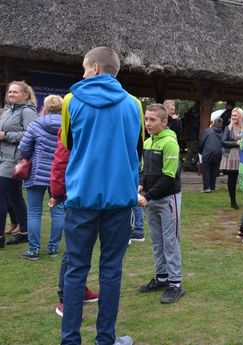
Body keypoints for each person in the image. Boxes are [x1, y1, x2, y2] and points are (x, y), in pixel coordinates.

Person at [58, 46, 143, 345]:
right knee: (111, 270)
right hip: (119, 200)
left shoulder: (70, 101)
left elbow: (69, 145)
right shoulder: (134, 105)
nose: (82, 73)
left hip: (82, 198)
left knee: (75, 270)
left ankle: (70, 340)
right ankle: (105, 339)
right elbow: (137, 150)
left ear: (94, 68)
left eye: (84, 67)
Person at [49, 128, 100, 318]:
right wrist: (57, 191)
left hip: (95, 191)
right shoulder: (70, 123)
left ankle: (80, 289)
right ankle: (66, 298)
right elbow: (61, 159)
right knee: (74, 249)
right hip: (78, 192)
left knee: (82, 247)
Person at [137, 103, 184, 304]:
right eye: (146, 119)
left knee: (170, 241)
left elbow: (168, 176)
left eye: (152, 119)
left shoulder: (170, 143)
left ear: (164, 122)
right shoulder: (148, 143)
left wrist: (147, 196)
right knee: (157, 241)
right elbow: (144, 171)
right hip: (151, 200)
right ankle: (162, 278)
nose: (147, 123)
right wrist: (140, 185)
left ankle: (176, 284)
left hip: (167, 199)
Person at [17, 94, 64, 260]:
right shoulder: (68, 126)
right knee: (58, 212)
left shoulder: (35, 124)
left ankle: (33, 250)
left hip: (36, 173)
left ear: (44, 107)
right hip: (59, 175)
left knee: (34, 212)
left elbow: (23, 148)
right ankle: (53, 248)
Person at [0, 80, 37, 248]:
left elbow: (30, 135)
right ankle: (24, 232)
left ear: (25, 95)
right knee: (15, 197)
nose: (11, 95)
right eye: (10, 92)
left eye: (15, 92)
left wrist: (6, 135)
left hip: (14, 160)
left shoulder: (28, 112)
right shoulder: (7, 110)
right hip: (2, 157)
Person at [220, 107, 243, 209]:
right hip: (231, 156)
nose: (233, 117)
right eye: (232, 115)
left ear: (240, 116)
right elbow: (223, 141)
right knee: (232, 179)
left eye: (235, 115)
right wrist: (235, 143)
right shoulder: (228, 128)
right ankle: (233, 202)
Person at [199, 118, 224, 192]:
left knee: (206, 170)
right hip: (218, 153)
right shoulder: (222, 132)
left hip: (208, 152)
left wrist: (200, 151)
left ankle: (207, 187)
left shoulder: (208, 131)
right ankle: (212, 187)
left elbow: (202, 141)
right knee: (214, 170)